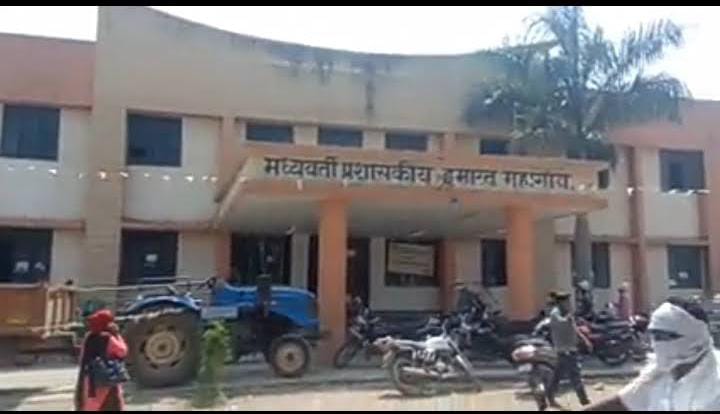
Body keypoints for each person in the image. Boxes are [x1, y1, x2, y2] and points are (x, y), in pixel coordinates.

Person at [585, 297, 720, 411]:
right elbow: (621, 402)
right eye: (655, 335)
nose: (658, 343)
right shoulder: (657, 374)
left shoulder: (715, 381)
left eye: (667, 336)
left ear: (695, 337)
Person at [545, 291, 592, 410]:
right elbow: (562, 324)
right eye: (567, 301)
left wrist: (585, 340)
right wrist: (568, 318)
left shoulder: (566, 313)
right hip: (564, 350)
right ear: (561, 302)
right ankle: (584, 401)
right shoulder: (555, 313)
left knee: (557, 376)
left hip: (569, 348)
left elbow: (574, 328)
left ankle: (548, 396)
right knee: (575, 375)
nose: (569, 304)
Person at [74, 309, 128, 411]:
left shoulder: (89, 337)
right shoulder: (108, 338)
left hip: (89, 377)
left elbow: (82, 356)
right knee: (107, 403)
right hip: (106, 377)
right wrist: (117, 335)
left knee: (90, 404)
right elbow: (122, 351)